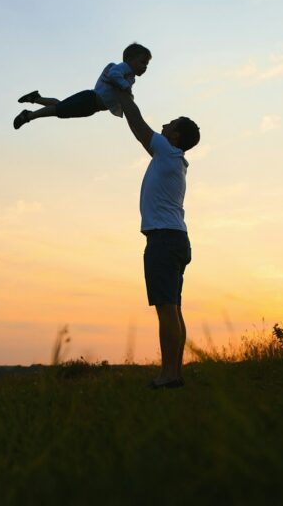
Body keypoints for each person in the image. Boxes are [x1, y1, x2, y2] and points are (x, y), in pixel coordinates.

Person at [114, 87, 200, 389]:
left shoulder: (166, 151)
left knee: (166, 309)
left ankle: (168, 375)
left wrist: (123, 94)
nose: (163, 126)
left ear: (175, 136)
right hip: (176, 239)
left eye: (169, 125)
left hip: (164, 241)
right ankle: (175, 373)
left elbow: (138, 126)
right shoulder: (174, 159)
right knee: (173, 308)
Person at [13, 43, 152, 130]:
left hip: (92, 105)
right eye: (142, 62)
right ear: (129, 59)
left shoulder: (130, 77)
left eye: (147, 64)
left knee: (61, 106)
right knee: (59, 110)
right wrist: (125, 87)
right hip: (90, 100)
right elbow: (113, 75)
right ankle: (28, 116)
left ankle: (36, 98)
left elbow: (124, 93)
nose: (145, 67)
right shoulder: (123, 68)